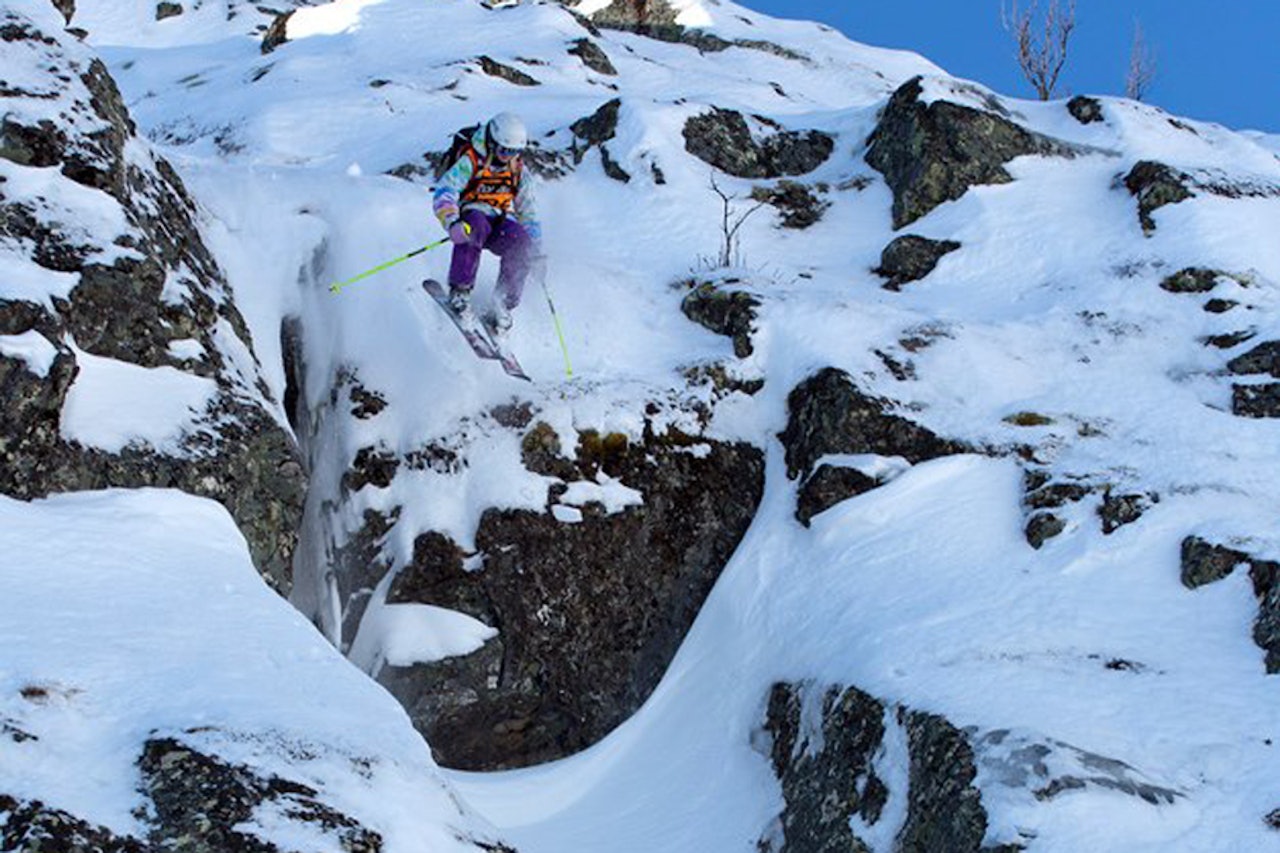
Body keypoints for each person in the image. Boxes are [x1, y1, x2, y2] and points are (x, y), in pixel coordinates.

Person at [432, 111, 542, 336]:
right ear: (492, 142)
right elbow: (445, 191)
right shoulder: (471, 160)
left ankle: (501, 304)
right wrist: (452, 222)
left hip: (501, 219)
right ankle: (460, 292)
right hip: (472, 215)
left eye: (513, 152)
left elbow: (528, 211)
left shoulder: (518, 169)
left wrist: (537, 250)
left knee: (522, 243)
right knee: (475, 227)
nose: (506, 156)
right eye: (503, 150)